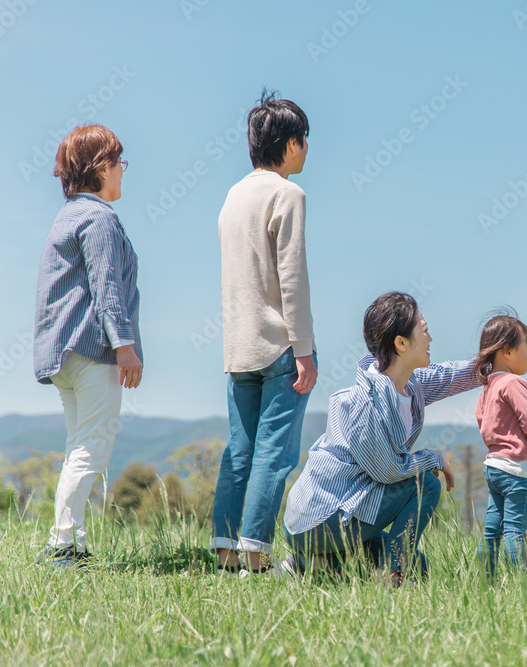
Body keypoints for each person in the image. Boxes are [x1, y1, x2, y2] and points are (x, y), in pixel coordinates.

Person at [282, 292, 527, 587]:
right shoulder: (363, 403)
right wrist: (434, 458)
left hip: (347, 512)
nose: (431, 338)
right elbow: (388, 471)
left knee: (420, 565)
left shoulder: (411, 385)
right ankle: (392, 577)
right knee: (425, 484)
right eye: (424, 331)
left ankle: (310, 566)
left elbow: (454, 375)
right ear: (401, 343)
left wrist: (513, 364)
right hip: (320, 521)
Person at [210, 90, 318, 575]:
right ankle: (256, 553)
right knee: (274, 455)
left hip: (238, 346)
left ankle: (225, 549)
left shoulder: (233, 196)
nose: (308, 149)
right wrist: (306, 350)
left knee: (240, 451)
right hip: (278, 343)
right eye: (305, 139)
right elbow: (291, 279)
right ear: (290, 142)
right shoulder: (286, 194)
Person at [33, 123, 142, 569]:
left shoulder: (67, 216)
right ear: (101, 167)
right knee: (92, 447)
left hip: (62, 352)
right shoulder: (99, 218)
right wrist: (124, 345)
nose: (122, 172)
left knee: (78, 444)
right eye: (119, 163)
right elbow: (106, 286)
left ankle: (71, 543)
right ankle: (63, 546)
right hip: (91, 349)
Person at [474, 313, 527, 577]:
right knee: (514, 529)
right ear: (508, 352)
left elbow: (481, 418)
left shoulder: (489, 386)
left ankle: (484, 583)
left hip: (493, 467)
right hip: (516, 471)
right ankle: (521, 586)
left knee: (491, 530)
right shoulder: (514, 383)